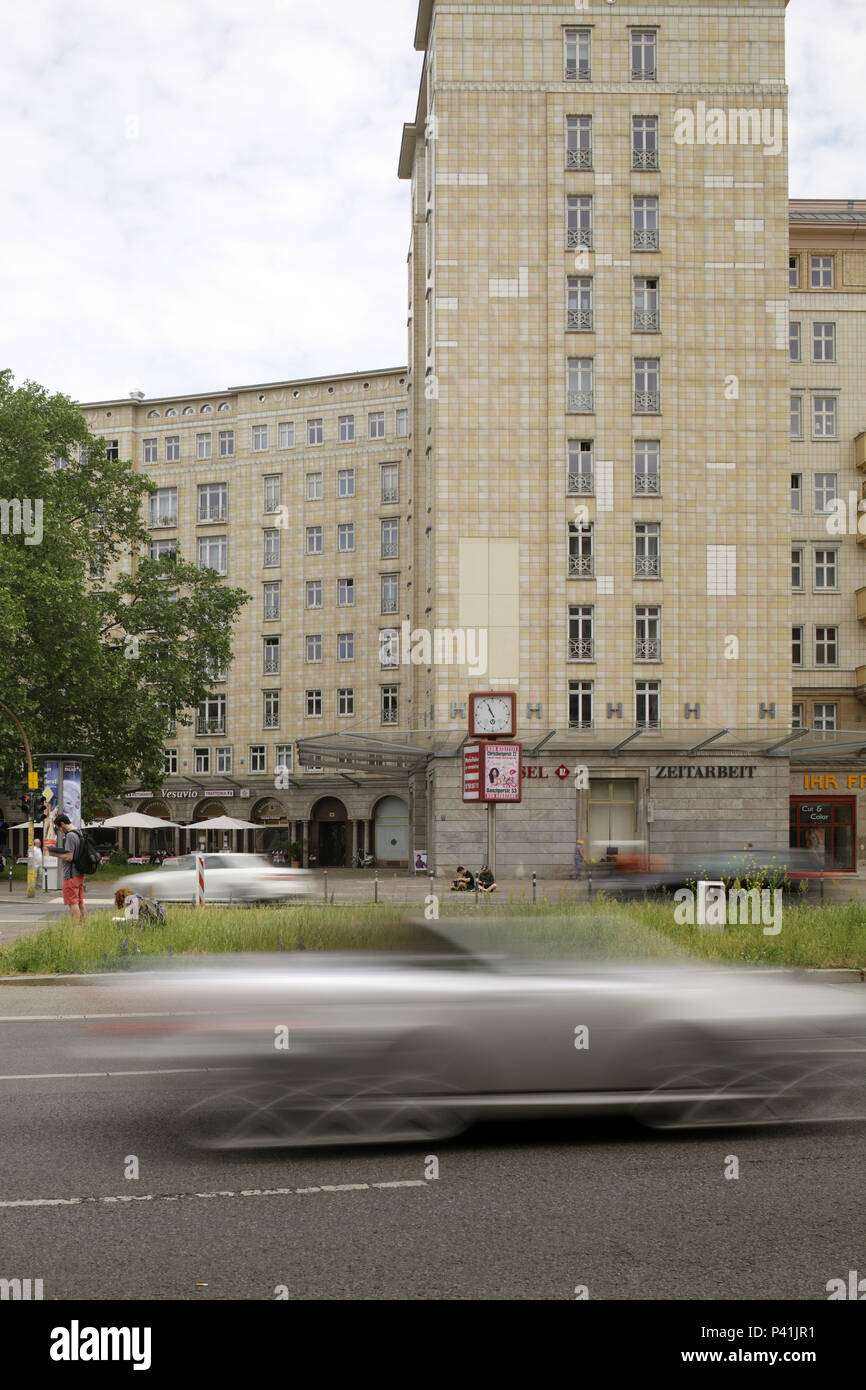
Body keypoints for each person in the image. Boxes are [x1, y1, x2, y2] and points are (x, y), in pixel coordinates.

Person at [53, 812, 87, 921]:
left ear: (62, 824)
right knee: (80, 901)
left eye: (59, 828)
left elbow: (69, 857)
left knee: (72, 902)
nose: (60, 831)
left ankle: (76, 928)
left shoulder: (70, 835)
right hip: (80, 873)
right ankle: (84, 926)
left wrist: (55, 854)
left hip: (71, 875)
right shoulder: (79, 833)